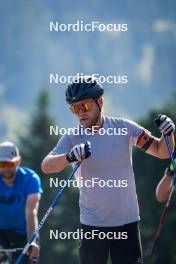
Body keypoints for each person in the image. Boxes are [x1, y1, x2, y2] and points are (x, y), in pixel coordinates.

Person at [41, 76, 175, 264]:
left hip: (127, 223)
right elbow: (46, 166)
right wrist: (69, 156)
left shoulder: (124, 128)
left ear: (100, 101)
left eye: (85, 106)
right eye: (74, 108)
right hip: (92, 226)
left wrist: (168, 134)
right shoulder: (72, 137)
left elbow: (162, 151)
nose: (80, 113)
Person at [0, 141, 43, 263]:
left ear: (18, 162)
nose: (6, 168)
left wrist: (32, 241)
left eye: (11, 163)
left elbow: (31, 212)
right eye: (2, 163)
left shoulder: (31, 179)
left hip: (24, 232)